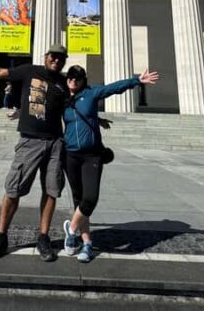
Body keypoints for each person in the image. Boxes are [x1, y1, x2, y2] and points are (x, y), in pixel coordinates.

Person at [0, 44, 69, 262]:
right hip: (30, 141)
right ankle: (1, 236)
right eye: (54, 56)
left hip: (55, 142)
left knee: (51, 190)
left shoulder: (64, 83)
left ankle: (43, 237)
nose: (57, 60)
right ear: (46, 57)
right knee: (13, 189)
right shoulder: (29, 71)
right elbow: (1, 72)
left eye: (61, 58)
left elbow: (78, 103)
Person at [61, 65, 160, 263]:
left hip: (92, 156)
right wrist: (22, 112)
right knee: (79, 200)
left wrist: (136, 81)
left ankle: (71, 230)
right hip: (70, 155)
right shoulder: (62, 99)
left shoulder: (91, 94)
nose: (73, 80)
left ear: (83, 80)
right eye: (70, 77)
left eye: (78, 78)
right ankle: (86, 244)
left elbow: (112, 88)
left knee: (90, 198)